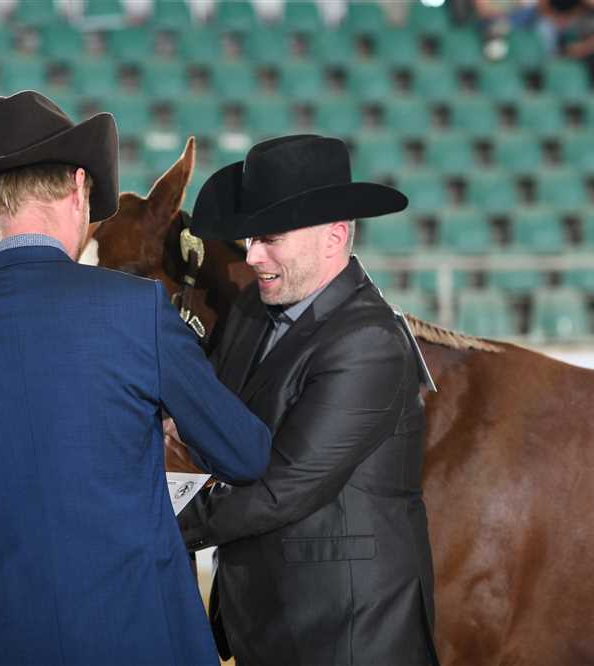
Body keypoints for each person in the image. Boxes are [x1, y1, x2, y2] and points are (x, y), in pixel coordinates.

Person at [0, 90, 271, 665]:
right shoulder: (138, 311)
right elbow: (244, 455)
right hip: (147, 639)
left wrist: (11, 586)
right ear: (79, 189)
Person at [178, 134, 439, 665]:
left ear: (334, 237)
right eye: (250, 237)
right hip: (268, 625)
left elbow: (281, 487)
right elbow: (210, 421)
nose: (252, 255)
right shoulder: (251, 313)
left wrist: (151, 522)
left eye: (270, 238)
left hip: (350, 634)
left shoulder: (369, 342)